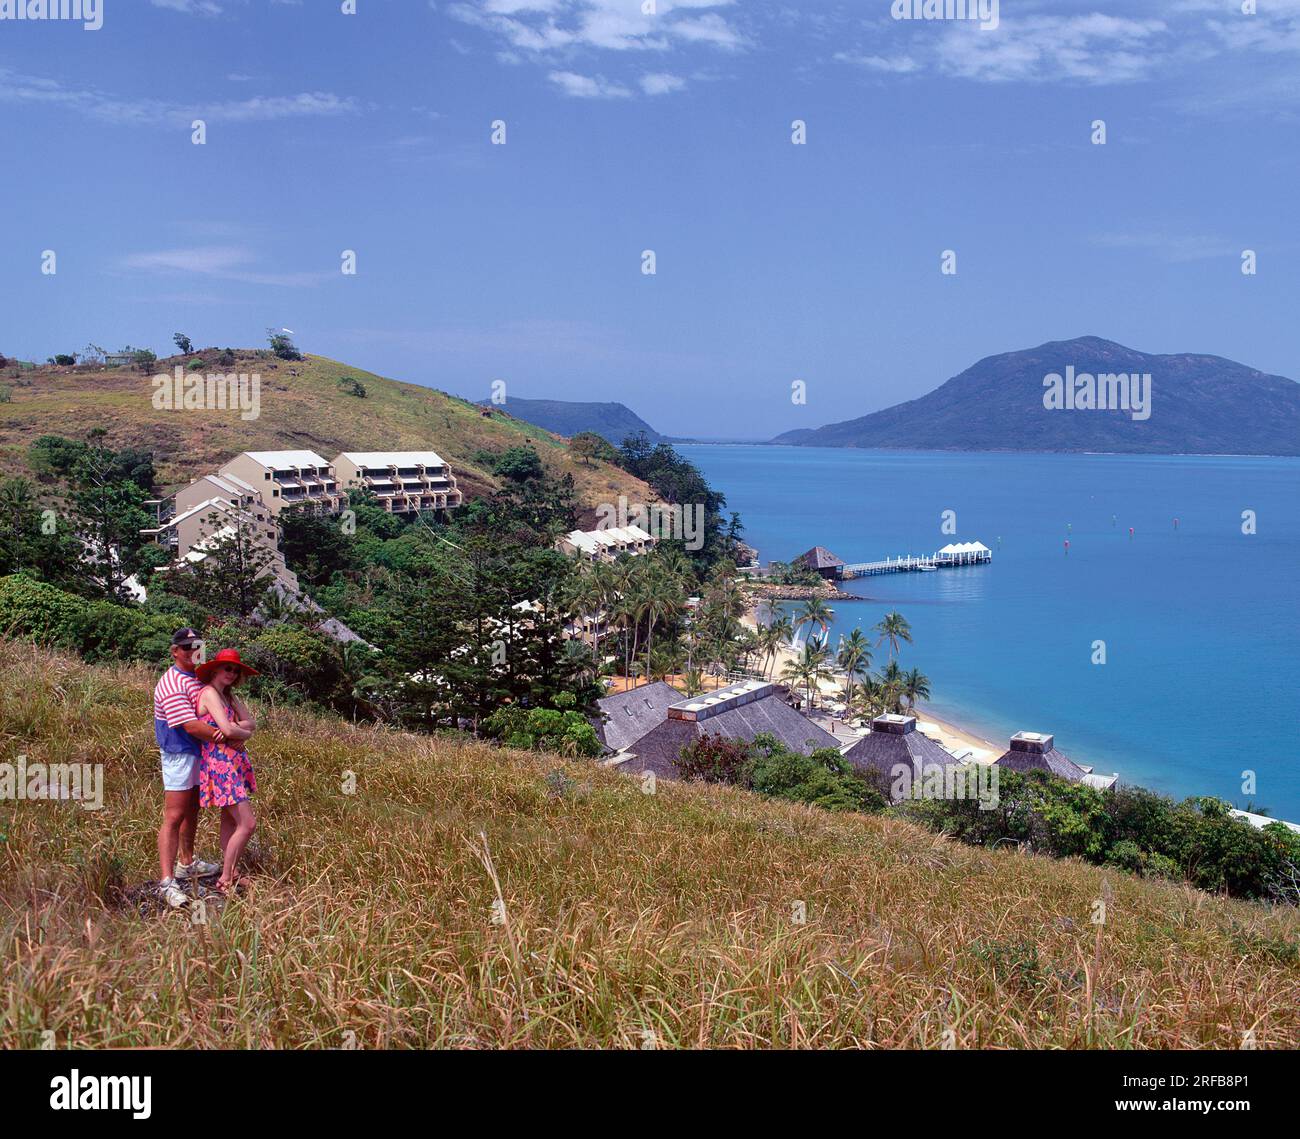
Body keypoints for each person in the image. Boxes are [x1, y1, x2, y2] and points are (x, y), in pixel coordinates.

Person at [153, 628, 224, 909]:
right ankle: (167, 881)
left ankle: (187, 862)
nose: (192, 652)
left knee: (192, 808)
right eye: (186, 648)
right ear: (174, 652)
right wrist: (228, 736)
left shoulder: (196, 678)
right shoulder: (172, 683)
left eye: (197, 647)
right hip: (179, 753)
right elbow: (191, 725)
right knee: (174, 815)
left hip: (197, 751)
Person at [195, 649, 259, 896]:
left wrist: (235, 729)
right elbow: (230, 730)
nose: (231, 673)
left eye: (235, 670)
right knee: (247, 823)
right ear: (215, 670)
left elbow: (250, 722)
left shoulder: (229, 697)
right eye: (227, 668)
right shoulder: (210, 693)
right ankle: (225, 878)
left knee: (230, 820)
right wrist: (241, 732)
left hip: (233, 762)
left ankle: (231, 872)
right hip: (220, 763)